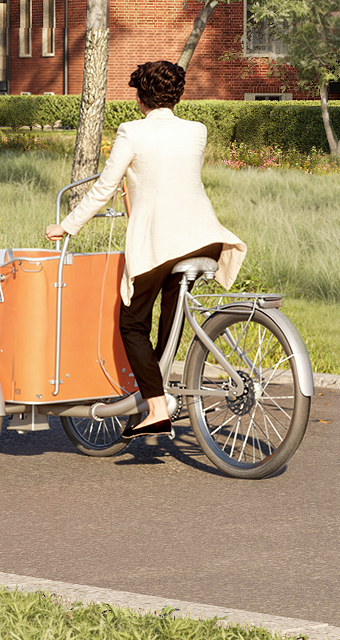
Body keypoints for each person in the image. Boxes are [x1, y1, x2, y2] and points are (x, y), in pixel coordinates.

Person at [44, 58, 242, 432]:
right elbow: (166, 179)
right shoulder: (196, 131)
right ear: (177, 96)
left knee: (132, 324)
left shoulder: (131, 132)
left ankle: (156, 406)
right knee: (172, 313)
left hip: (161, 241)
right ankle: (161, 388)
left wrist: (67, 226)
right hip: (204, 237)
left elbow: (104, 187)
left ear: (140, 98)